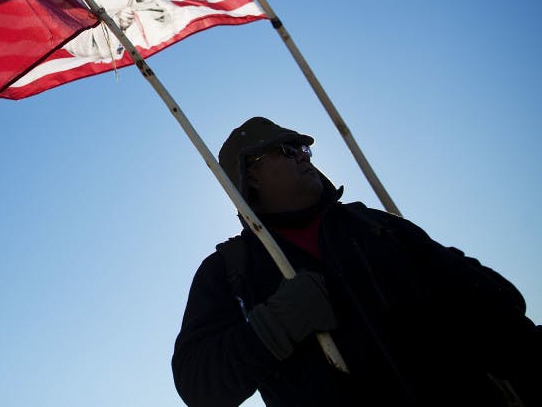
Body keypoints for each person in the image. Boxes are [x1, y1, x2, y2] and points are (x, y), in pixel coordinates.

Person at [171, 117, 540, 406]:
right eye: (286, 149)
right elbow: (199, 385)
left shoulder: (379, 228)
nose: (303, 154)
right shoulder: (230, 270)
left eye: (302, 147)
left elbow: (499, 316)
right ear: (249, 174)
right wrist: (275, 325)